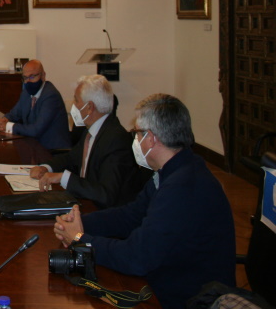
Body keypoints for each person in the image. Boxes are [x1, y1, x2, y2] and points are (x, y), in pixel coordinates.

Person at [53, 94, 235, 309]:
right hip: (165, 281)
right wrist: (82, 223)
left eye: (137, 133)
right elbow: (131, 215)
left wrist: (80, 238)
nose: (135, 140)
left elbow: (136, 258)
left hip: (186, 298)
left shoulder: (182, 187)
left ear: (151, 138)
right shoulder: (173, 170)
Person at [29, 74, 146, 208]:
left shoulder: (115, 139)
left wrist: (63, 178)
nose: (74, 105)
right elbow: (72, 158)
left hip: (104, 214)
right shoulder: (92, 130)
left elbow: (105, 194)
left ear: (89, 107)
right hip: (85, 203)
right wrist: (46, 167)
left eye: (76, 100)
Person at [0, 59, 70, 150]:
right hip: (33, 146)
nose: (28, 81)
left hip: (52, 151)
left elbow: (36, 130)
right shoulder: (26, 92)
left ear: (43, 76)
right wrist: (3, 120)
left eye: (32, 77)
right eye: (25, 78)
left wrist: (8, 126)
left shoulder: (51, 96)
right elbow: (14, 114)